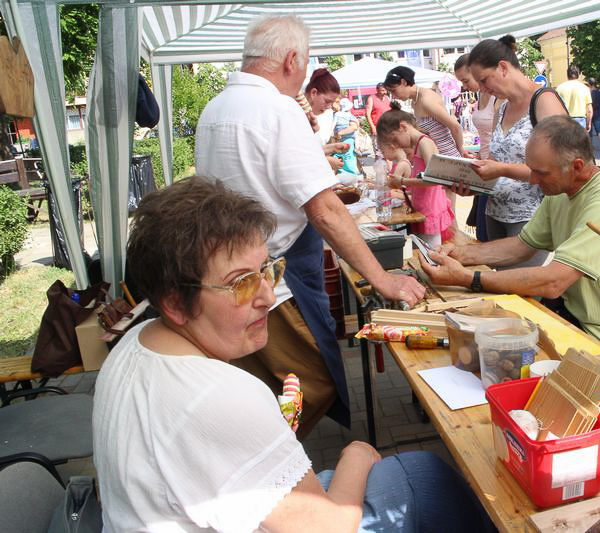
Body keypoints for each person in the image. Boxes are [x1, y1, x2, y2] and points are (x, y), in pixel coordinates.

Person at [93, 177, 493, 533]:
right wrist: (358, 452)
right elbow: (330, 527)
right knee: (424, 478)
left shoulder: (134, 342)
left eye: (267, 270)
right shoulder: (220, 396)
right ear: (175, 303)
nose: (268, 296)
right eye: (241, 283)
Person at [195, 15, 425, 438]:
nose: (302, 78)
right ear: (291, 59)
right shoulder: (276, 109)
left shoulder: (216, 107)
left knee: (269, 384)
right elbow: (325, 211)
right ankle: (277, 456)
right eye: (303, 65)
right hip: (274, 277)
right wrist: (381, 279)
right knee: (309, 383)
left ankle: (270, 446)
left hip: (233, 271)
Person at [419, 116, 600, 365]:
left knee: (495, 360)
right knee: (481, 346)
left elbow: (554, 281)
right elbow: (521, 246)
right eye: (531, 169)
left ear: (576, 166)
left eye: (541, 173)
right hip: (574, 316)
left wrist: (469, 279)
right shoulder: (561, 191)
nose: (532, 179)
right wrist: (461, 254)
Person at [465, 35, 568, 266]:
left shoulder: (544, 101)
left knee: (517, 286)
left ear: (502, 67)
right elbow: (493, 161)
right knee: (499, 283)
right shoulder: (502, 108)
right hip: (495, 212)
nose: (483, 89)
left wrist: (501, 169)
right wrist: (470, 184)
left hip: (530, 217)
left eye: (484, 80)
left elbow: (559, 170)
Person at [377, 103, 455, 247]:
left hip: (430, 209)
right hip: (422, 209)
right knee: (421, 249)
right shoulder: (418, 145)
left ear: (403, 127)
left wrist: (403, 181)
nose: (396, 145)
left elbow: (434, 180)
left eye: (395, 139)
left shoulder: (425, 143)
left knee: (431, 252)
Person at [455, 53, 503, 242]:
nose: (464, 86)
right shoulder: (481, 95)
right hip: (484, 166)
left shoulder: (497, 97)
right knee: (484, 233)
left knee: (488, 235)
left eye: (466, 80)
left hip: (496, 169)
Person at [304, 69, 349, 174]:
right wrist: (327, 160)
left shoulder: (307, 114)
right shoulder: (295, 114)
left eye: (331, 103)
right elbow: (298, 155)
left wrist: (332, 148)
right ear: (313, 93)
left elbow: (309, 150)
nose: (329, 106)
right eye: (327, 101)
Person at [556, 64, 592, 133]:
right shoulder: (585, 88)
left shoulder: (559, 88)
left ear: (567, 74)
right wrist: (588, 123)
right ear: (578, 74)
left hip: (564, 119)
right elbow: (589, 110)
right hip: (580, 120)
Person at [333, 97, 360, 175]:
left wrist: (338, 133)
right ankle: (350, 175)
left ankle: (350, 175)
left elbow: (354, 127)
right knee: (347, 158)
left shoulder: (337, 115)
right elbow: (355, 127)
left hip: (342, 140)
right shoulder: (349, 115)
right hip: (347, 140)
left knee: (345, 157)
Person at [365, 82, 392, 155]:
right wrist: (373, 127)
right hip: (377, 128)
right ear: (377, 90)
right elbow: (367, 114)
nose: (385, 92)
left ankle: (388, 162)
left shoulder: (387, 98)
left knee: (389, 150)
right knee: (379, 152)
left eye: (385, 90)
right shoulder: (371, 98)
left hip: (387, 128)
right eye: (382, 90)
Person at [588, 78, 600, 151]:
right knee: (599, 129)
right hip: (597, 112)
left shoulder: (588, 92)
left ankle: (590, 146)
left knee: (589, 129)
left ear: (589, 84)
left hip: (589, 112)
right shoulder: (599, 92)